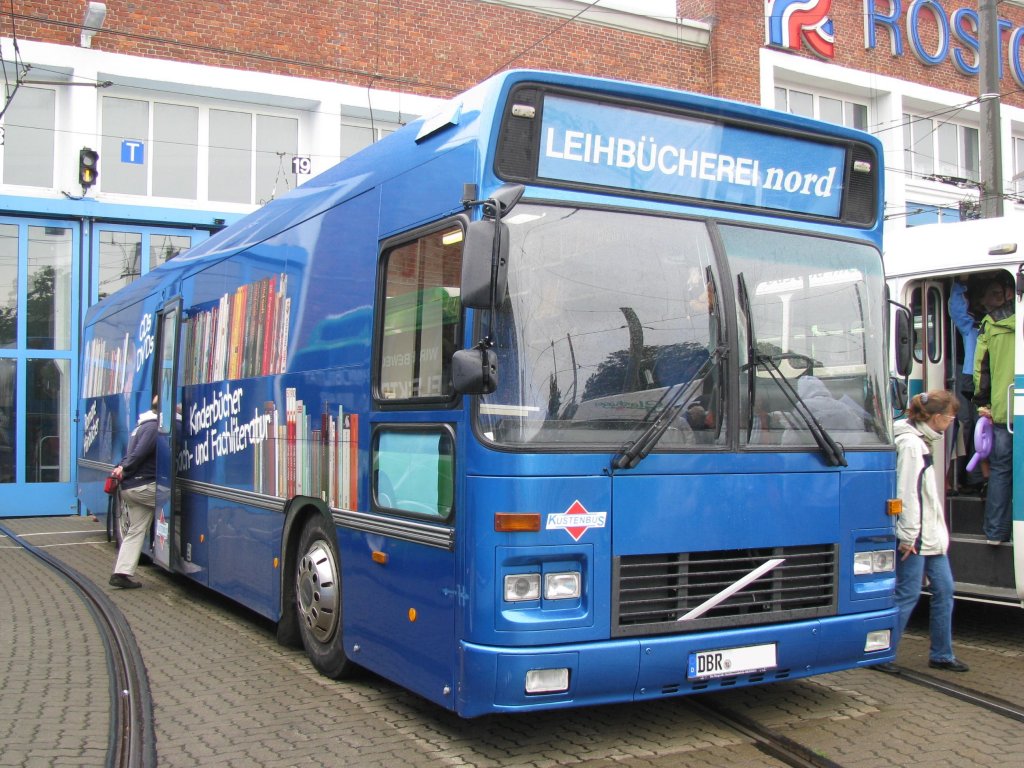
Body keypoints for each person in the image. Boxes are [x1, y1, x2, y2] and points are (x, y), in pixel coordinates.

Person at [893, 390, 968, 672]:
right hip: (918, 537)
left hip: (930, 536)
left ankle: (942, 654)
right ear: (937, 418)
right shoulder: (913, 445)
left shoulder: (920, 440)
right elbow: (907, 492)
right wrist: (908, 534)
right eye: (950, 417)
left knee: (944, 590)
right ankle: (883, 652)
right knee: (908, 593)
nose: (951, 422)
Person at [973, 275, 1015, 544]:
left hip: (1003, 410)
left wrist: (983, 403)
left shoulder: (991, 324)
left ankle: (996, 532)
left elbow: (981, 369)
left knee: (1000, 471)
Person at [109, 398, 159, 589]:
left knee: (136, 530)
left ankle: (121, 573)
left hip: (131, 489)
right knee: (183, 503)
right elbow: (138, 454)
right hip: (143, 487)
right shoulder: (154, 428)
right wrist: (124, 468)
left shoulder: (140, 426)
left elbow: (130, 453)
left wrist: (121, 467)